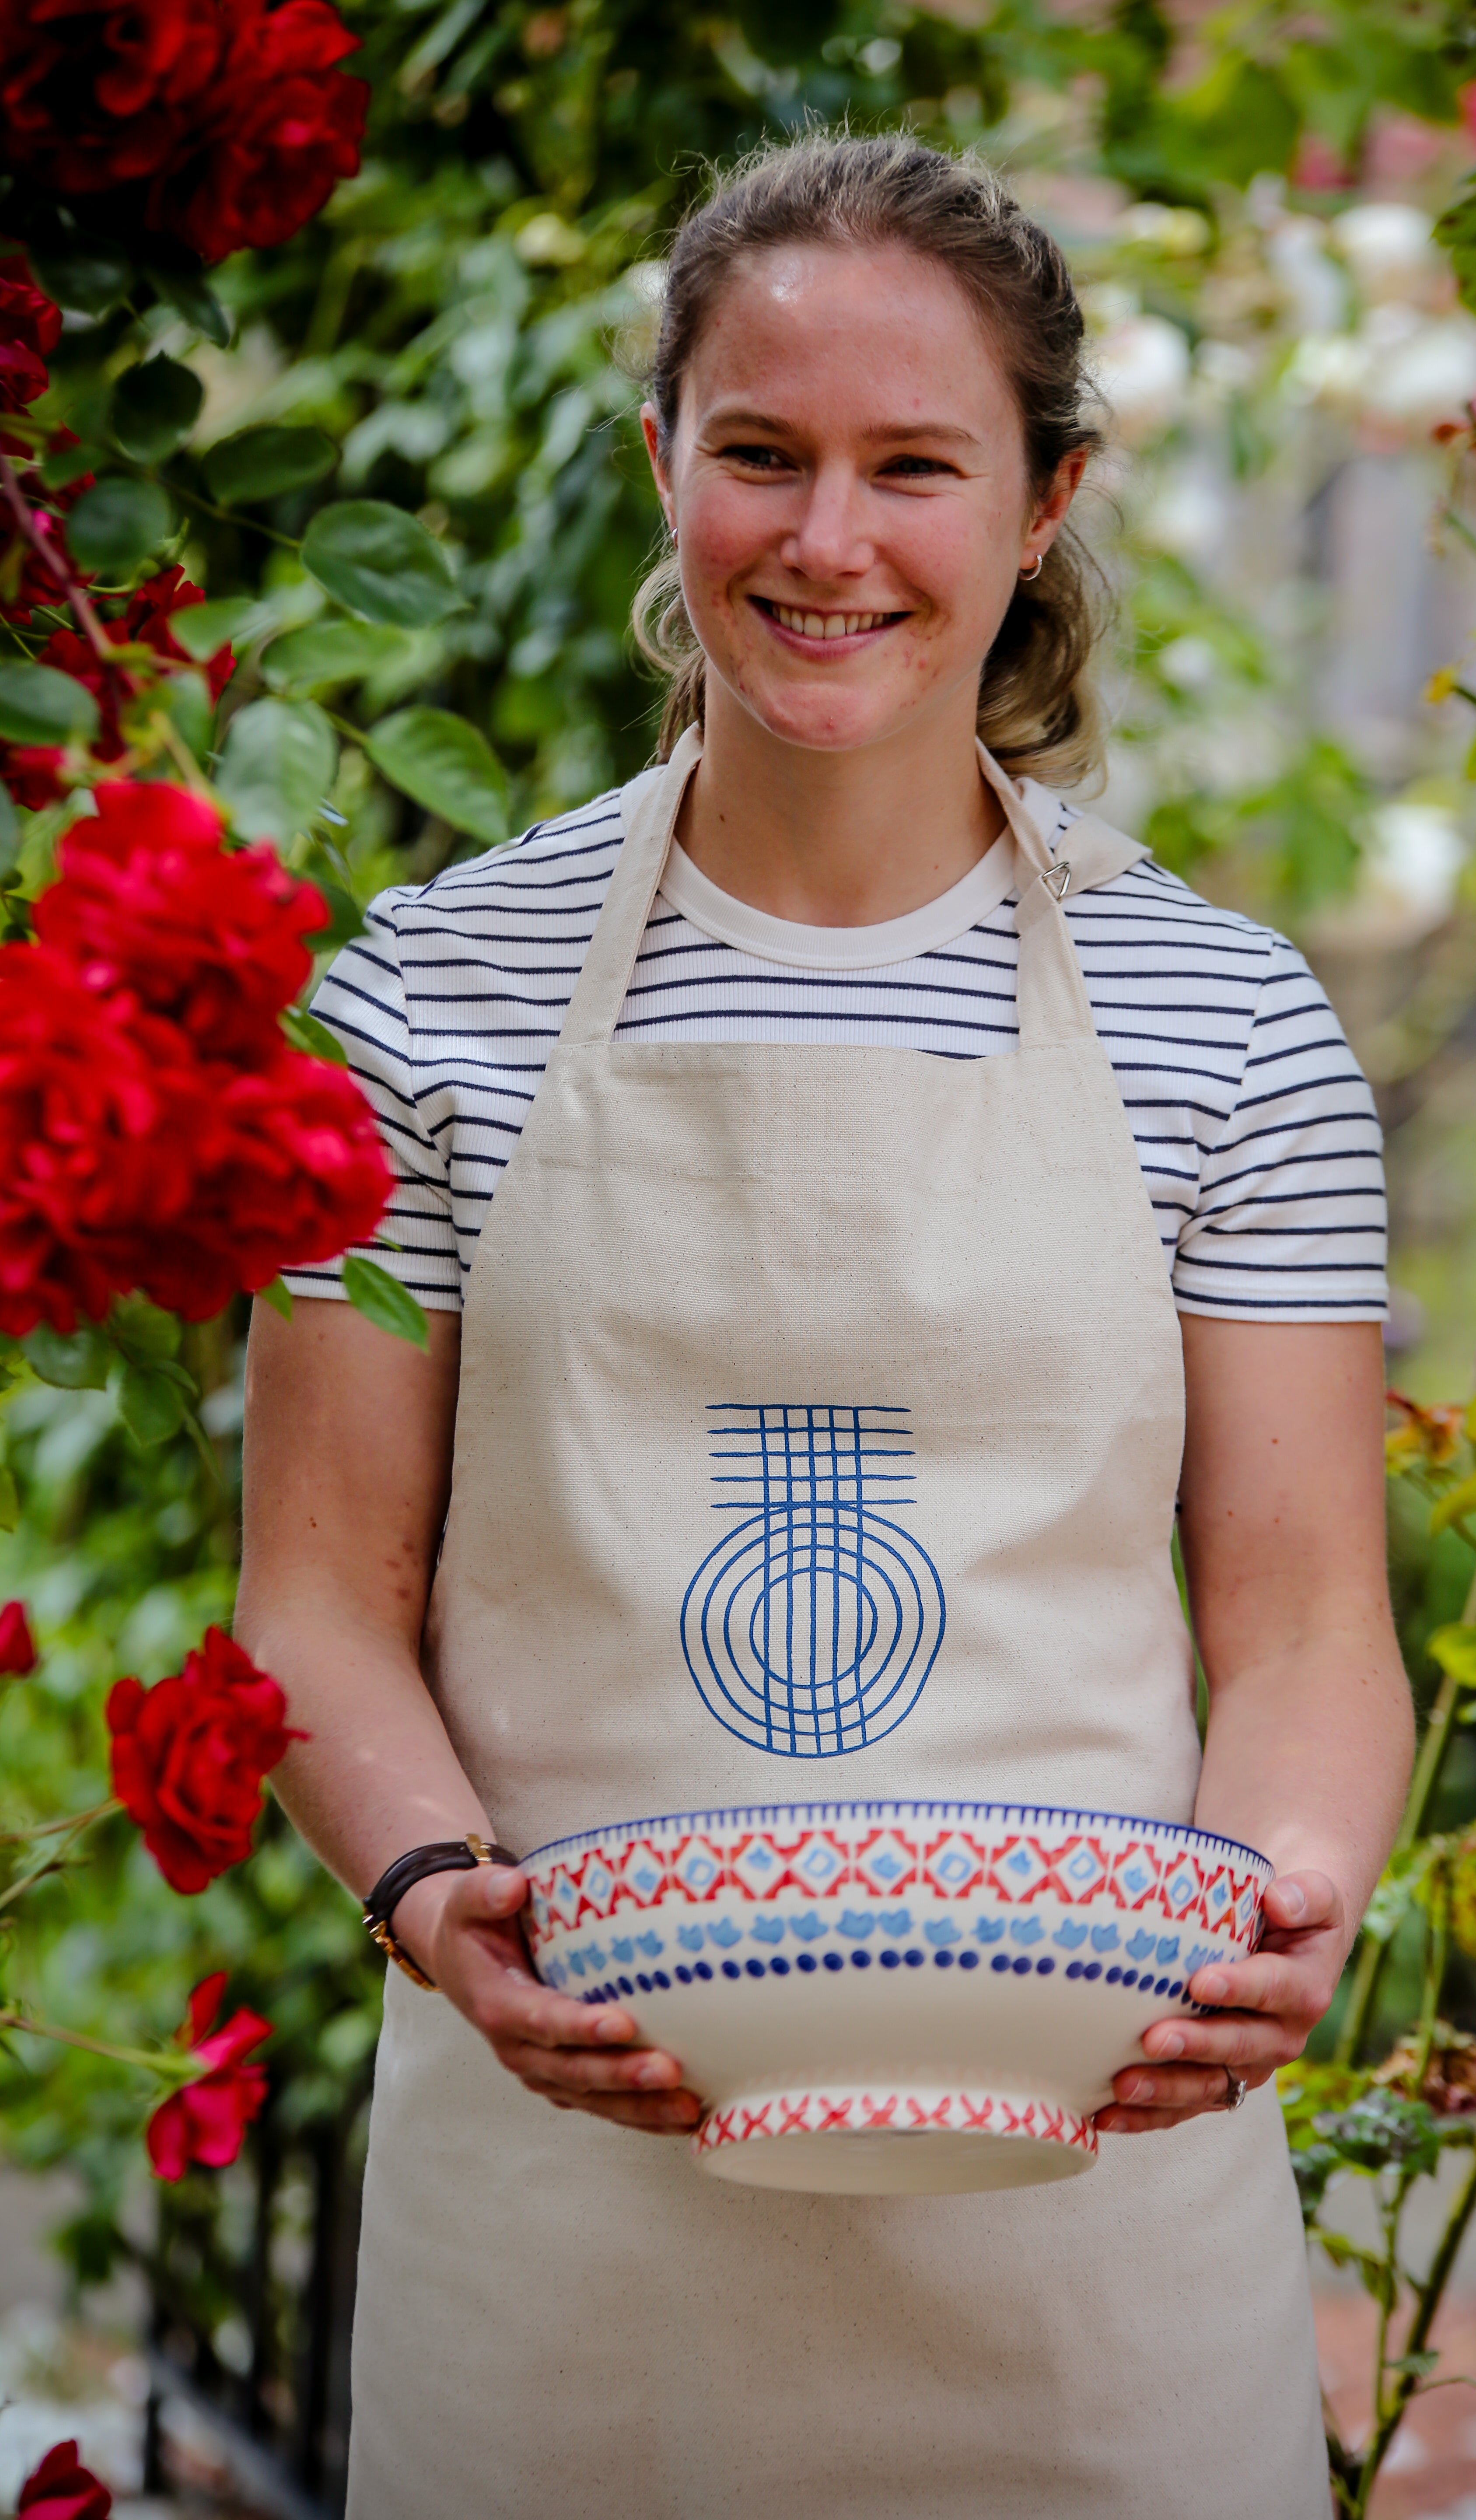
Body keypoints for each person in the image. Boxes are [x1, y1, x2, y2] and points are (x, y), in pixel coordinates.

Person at [238, 131, 1415, 2519]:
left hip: (1093, 2241)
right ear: (662, 452)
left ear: (1048, 493)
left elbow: (1301, 1622)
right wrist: (436, 1903)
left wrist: (1281, 1914)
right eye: (760, 453)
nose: (826, 543)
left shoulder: (1229, 1025)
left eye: (916, 468)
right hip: (567, 2228)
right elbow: (319, 1592)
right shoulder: (430, 998)